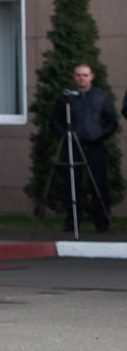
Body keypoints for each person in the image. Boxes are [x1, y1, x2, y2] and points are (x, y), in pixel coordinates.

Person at [64, 64, 118, 231]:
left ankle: (102, 222)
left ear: (91, 77)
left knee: (98, 184)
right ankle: (72, 222)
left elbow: (112, 121)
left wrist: (101, 135)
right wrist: (65, 133)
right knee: (73, 185)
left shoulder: (101, 97)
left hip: (95, 145)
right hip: (74, 146)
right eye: (79, 75)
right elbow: (55, 120)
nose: (82, 78)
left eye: (85, 75)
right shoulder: (68, 98)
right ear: (74, 77)